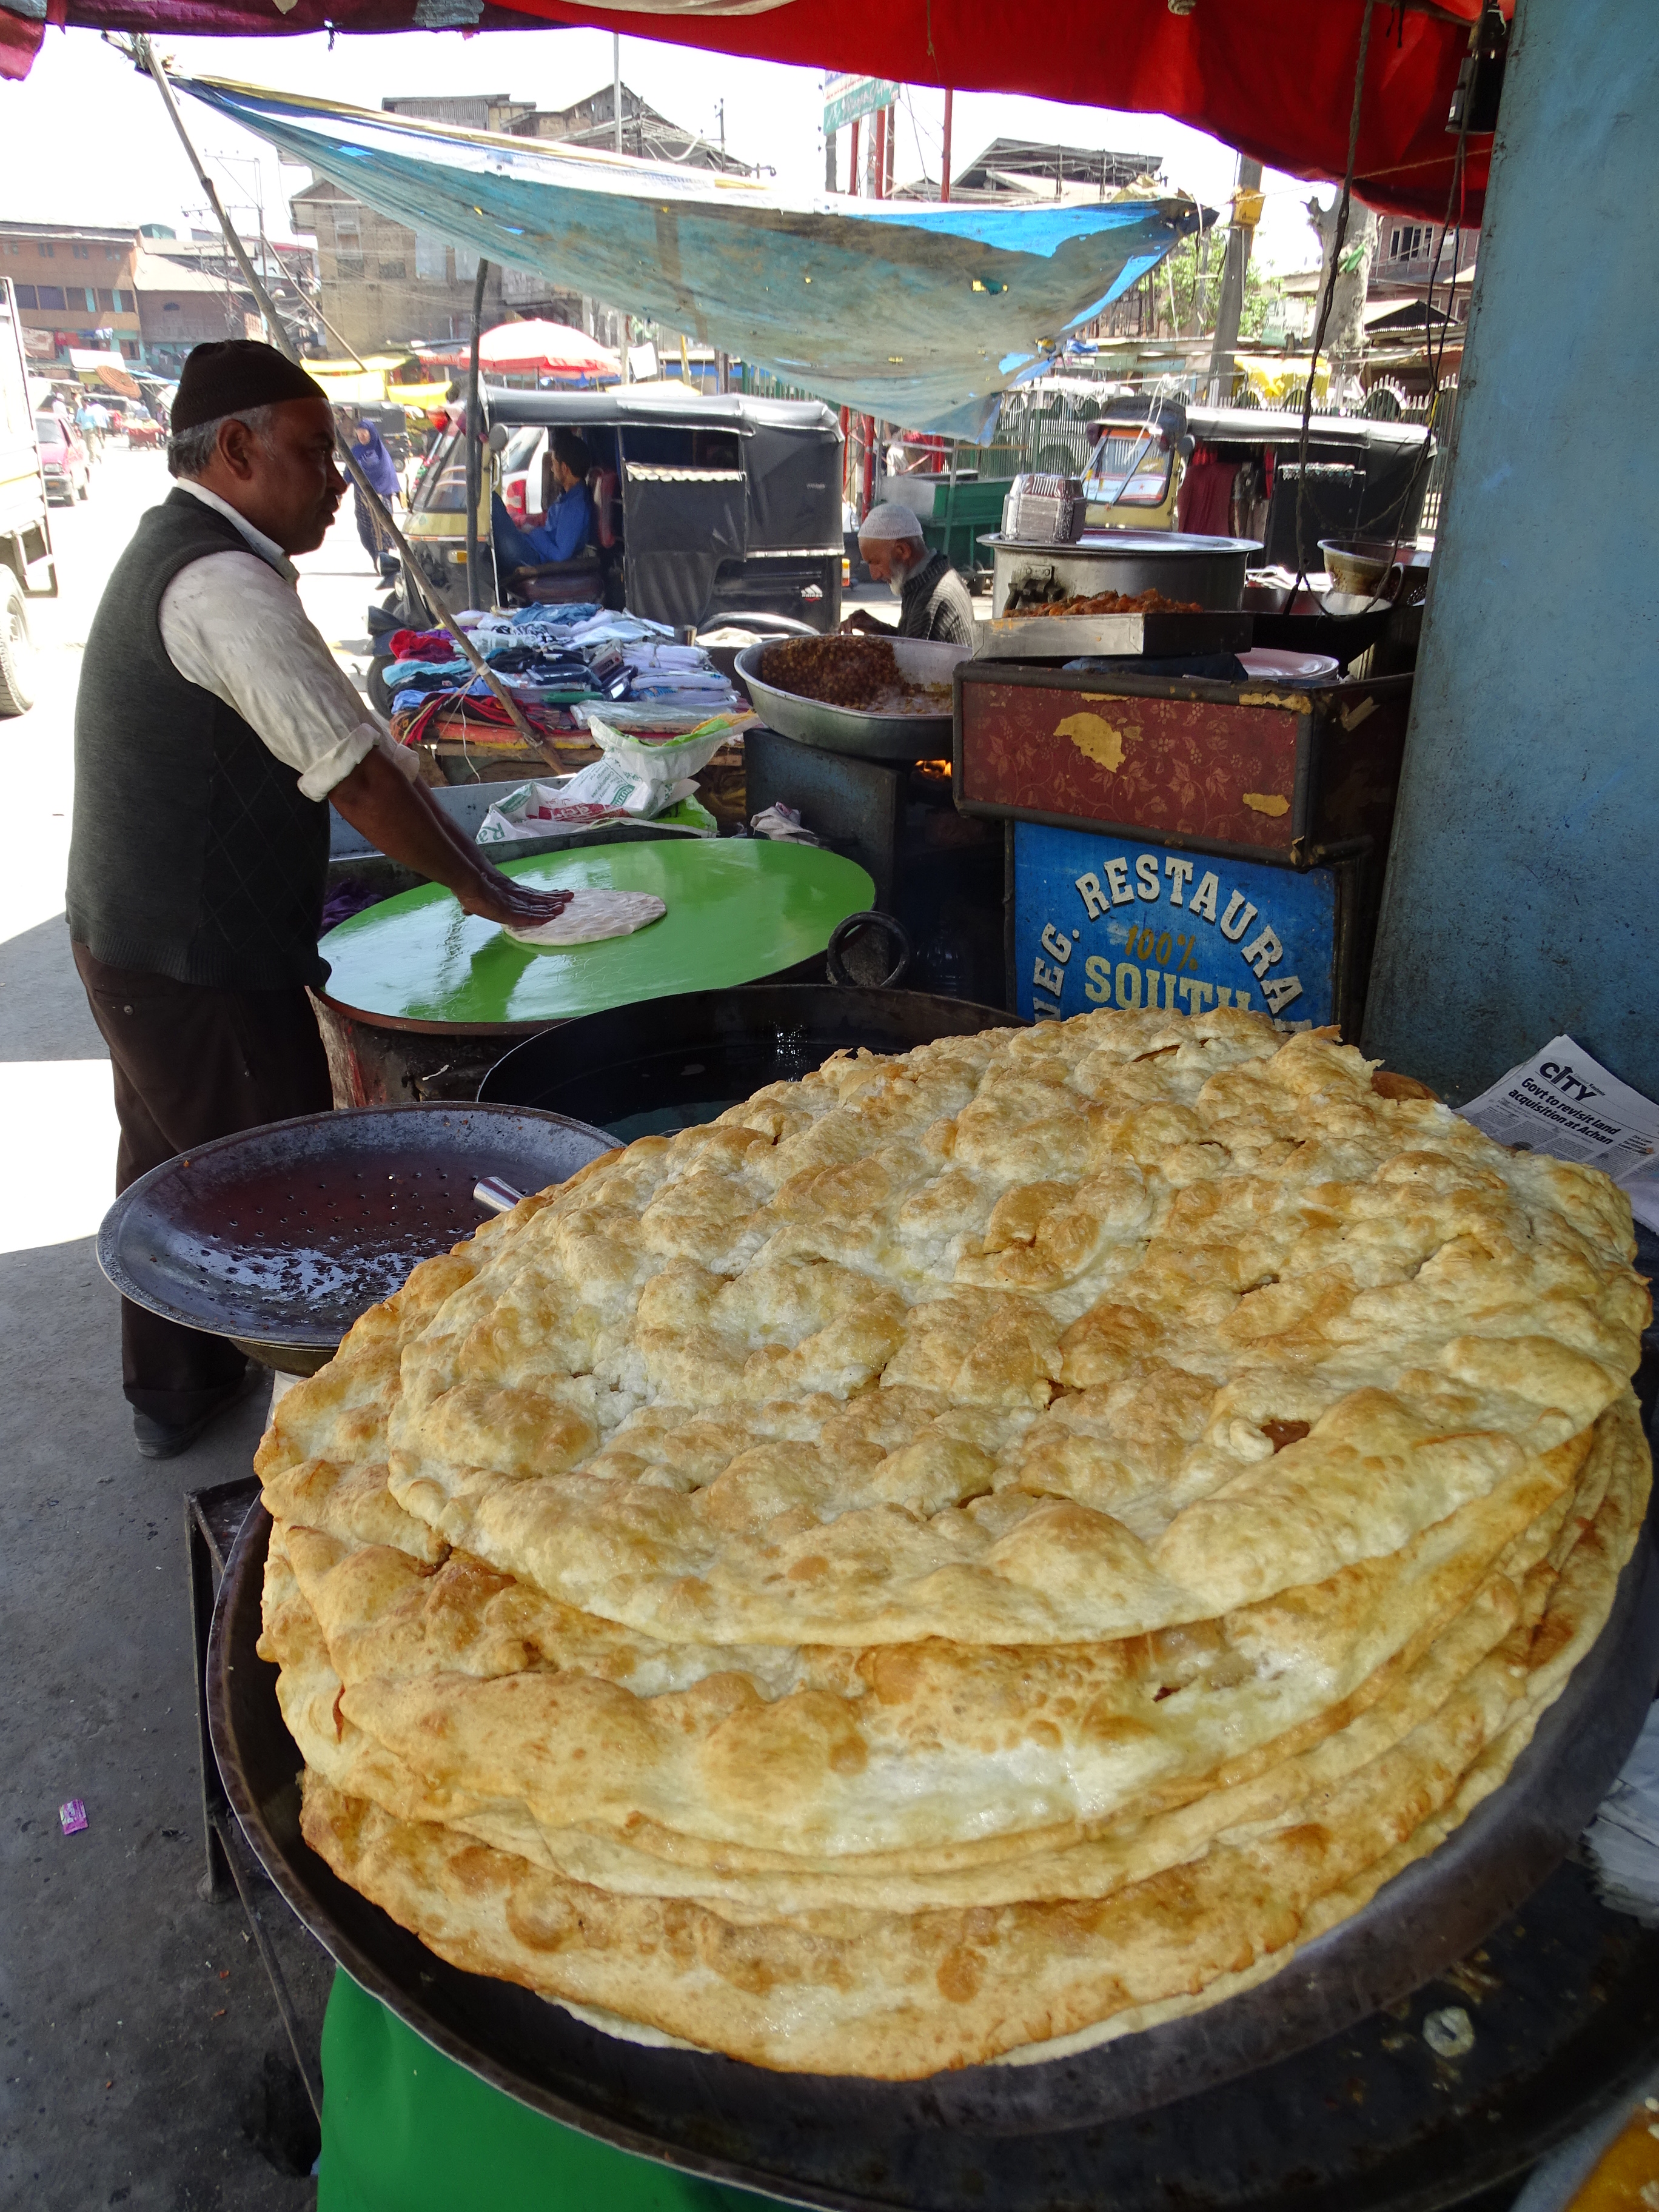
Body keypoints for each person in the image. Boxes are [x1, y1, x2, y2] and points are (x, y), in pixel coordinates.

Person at [65, 339, 569, 1461]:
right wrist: (490, 893)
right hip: (196, 956)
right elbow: (358, 773)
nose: (342, 480)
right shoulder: (218, 583)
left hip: (133, 935)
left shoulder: (192, 551)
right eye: (315, 452)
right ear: (237, 450)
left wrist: (459, 840)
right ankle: (327, 1457)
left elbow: (366, 750)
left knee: (169, 1167)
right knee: (277, 1199)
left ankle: (175, 1396)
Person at [843, 501, 976, 646]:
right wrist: (875, 626)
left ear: (902, 551)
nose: (875, 575)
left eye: (876, 562)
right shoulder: (926, 579)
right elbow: (909, 642)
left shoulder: (933, 597)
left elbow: (908, 661)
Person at [490, 429, 595, 586]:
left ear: (564, 468)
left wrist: (534, 532)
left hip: (533, 558)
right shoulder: (567, 497)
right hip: (531, 547)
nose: (552, 469)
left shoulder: (575, 507)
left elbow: (561, 555)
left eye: (553, 463)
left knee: (493, 503)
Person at [349, 413, 402, 585]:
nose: (362, 436)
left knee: (381, 530)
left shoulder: (381, 453)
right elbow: (348, 473)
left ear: (372, 433)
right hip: (361, 498)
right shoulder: (356, 451)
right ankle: (376, 558)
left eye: (365, 433)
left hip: (379, 497)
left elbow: (388, 475)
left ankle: (382, 560)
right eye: (359, 434)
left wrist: (394, 494)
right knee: (365, 531)